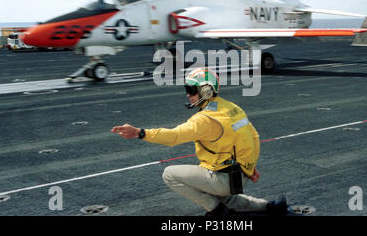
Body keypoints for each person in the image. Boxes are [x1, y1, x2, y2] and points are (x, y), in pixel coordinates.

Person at [111, 67, 287, 216]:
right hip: (239, 175)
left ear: (206, 91)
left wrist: (139, 133)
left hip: (226, 178)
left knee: (170, 174)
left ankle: (217, 211)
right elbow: (252, 137)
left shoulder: (204, 119)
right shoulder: (231, 107)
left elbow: (173, 137)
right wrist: (248, 167)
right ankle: (268, 207)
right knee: (223, 196)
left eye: (191, 90)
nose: (188, 95)